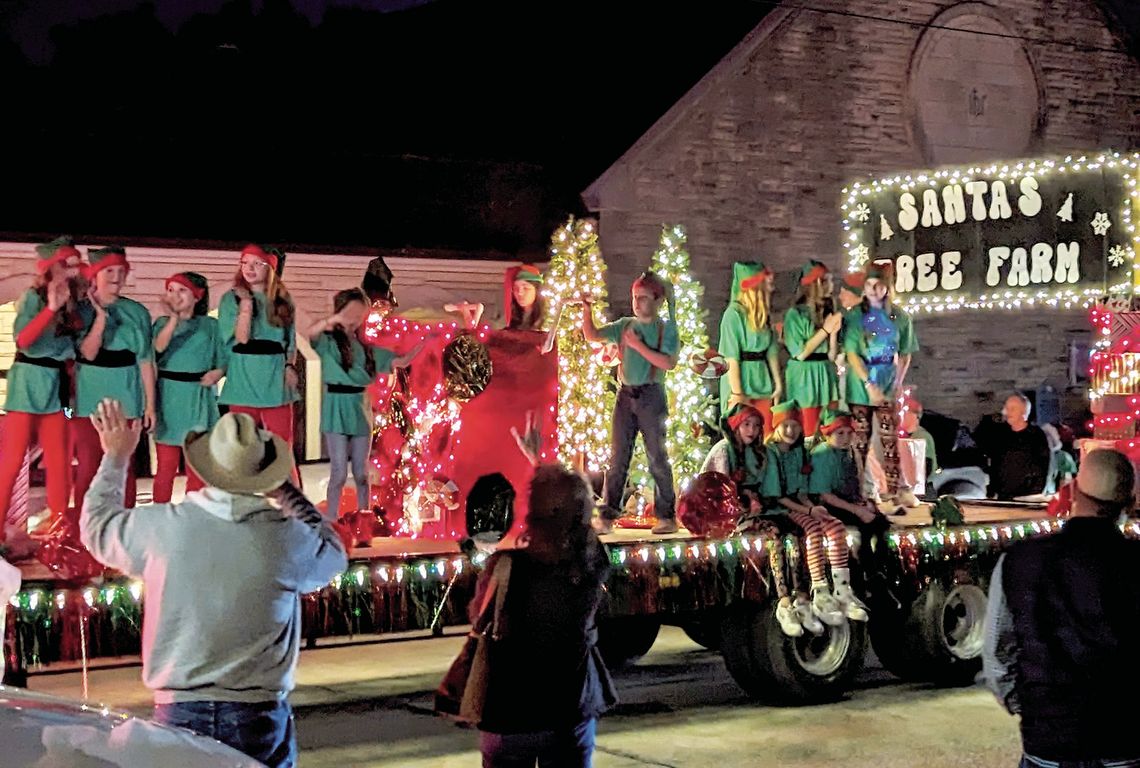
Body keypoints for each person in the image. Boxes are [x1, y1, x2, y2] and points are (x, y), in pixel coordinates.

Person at [79, 399, 348, 768]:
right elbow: (334, 553)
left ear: (205, 467)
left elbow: (96, 526)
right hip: (258, 716)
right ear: (266, 473)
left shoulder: (164, 528)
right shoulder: (287, 538)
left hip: (178, 711)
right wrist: (285, 492)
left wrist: (115, 457)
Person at [983, 447, 1140, 767]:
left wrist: (1031, 706)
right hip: (1123, 741)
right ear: (1129, 503)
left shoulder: (1019, 560)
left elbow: (997, 654)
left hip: (1048, 742)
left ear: (1072, 492)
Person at [475, 415, 616, 768]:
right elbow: (575, 514)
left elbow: (478, 619)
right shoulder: (589, 564)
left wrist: (538, 470)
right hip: (569, 708)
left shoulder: (506, 566)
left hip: (511, 711)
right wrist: (542, 465)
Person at [306, 288, 422, 520]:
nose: (354, 320)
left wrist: (423, 344)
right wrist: (333, 320)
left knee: (361, 472)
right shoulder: (328, 341)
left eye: (360, 315)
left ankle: (364, 516)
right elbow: (311, 334)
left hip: (359, 407)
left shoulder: (367, 349)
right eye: (350, 314)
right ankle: (331, 519)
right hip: (336, 406)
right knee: (338, 472)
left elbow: (399, 361)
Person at [580, 271, 679, 535]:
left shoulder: (664, 328)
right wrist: (587, 311)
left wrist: (637, 346)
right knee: (618, 457)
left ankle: (666, 515)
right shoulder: (625, 325)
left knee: (657, 457)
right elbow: (592, 336)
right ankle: (609, 514)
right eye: (635, 297)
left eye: (643, 298)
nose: (637, 303)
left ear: (657, 301)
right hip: (625, 396)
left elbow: (668, 362)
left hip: (651, 395)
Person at [0, 238, 84, 539]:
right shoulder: (33, 298)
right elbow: (23, 340)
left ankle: (59, 525)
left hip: (59, 388)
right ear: (54, 268)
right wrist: (50, 309)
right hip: (27, 384)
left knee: (60, 458)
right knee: (11, 459)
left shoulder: (79, 304)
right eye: (69, 264)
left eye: (77, 264)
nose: (75, 270)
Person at [701, 404, 808, 636]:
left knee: (795, 534)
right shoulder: (724, 450)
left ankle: (802, 596)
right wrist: (745, 501)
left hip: (760, 510)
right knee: (774, 537)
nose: (751, 430)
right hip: (730, 514)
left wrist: (759, 500)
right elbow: (717, 489)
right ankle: (783, 601)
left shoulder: (761, 452)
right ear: (736, 426)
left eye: (756, 425)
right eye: (746, 425)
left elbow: (769, 488)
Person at [762, 402, 864, 625]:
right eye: (786, 425)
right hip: (780, 509)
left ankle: (842, 591)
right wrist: (809, 510)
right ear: (776, 427)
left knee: (835, 526)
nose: (791, 431)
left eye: (795, 425)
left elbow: (802, 491)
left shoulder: (799, 452)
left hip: (801, 503)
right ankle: (819, 588)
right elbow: (778, 497)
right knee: (813, 529)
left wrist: (815, 509)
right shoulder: (771, 453)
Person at [73, 246, 155, 513]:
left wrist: (150, 406)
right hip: (89, 400)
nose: (117, 277)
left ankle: (123, 528)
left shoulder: (137, 312)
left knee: (125, 466)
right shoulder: (79, 310)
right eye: (110, 271)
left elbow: (145, 361)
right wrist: (100, 318)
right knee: (88, 465)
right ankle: (84, 533)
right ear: (95, 274)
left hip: (127, 400)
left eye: (121, 271)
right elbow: (87, 352)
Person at [217, 244, 300, 485]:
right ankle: (245, 509)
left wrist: (289, 367)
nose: (249, 268)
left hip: (275, 381)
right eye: (244, 262)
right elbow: (241, 339)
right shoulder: (230, 299)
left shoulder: (283, 301)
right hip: (243, 382)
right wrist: (246, 305)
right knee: (242, 451)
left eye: (256, 263)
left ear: (269, 268)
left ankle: (292, 510)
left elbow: (290, 343)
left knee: (281, 449)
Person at [842, 261, 919, 506]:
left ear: (888, 287)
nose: (874, 290)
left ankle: (896, 491)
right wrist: (869, 384)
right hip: (861, 385)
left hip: (887, 380)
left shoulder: (900, 317)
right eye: (870, 285)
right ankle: (859, 493)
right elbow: (852, 353)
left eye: (879, 285)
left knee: (889, 438)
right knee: (860, 441)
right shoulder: (855, 316)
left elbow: (906, 352)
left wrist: (897, 382)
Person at [807, 409, 892, 618]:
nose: (845, 438)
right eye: (840, 434)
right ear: (828, 434)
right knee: (864, 524)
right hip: (829, 504)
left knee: (881, 523)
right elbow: (825, 495)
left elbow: (857, 483)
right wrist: (857, 510)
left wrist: (864, 503)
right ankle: (869, 577)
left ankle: (879, 573)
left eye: (848, 433)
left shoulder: (851, 452)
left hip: (849, 500)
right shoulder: (822, 455)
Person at [151, 272, 225, 503]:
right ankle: (160, 514)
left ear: (196, 296)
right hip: (169, 396)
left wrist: (219, 372)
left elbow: (223, 357)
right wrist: (174, 319)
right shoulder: (161, 324)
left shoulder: (211, 325)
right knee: (166, 466)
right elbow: (157, 349)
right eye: (170, 290)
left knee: (197, 465)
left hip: (198, 396)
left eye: (181, 290)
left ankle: (194, 513)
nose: (175, 295)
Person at [719, 261, 782, 435]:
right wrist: (738, 394)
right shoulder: (733, 315)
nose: (772, 287)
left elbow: (772, 350)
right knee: (743, 435)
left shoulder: (763, 314)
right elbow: (731, 357)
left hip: (762, 382)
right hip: (742, 383)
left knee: (765, 433)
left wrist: (777, 383)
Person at [783, 260, 843, 438]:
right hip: (804, 375)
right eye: (828, 280)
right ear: (818, 283)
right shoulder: (795, 314)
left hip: (826, 372)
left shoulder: (828, 309)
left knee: (831, 427)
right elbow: (800, 353)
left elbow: (832, 355)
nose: (832, 285)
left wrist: (833, 333)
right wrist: (825, 330)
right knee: (809, 428)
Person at [983, 393, 1050, 500]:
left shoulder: (1036, 436)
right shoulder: (1000, 434)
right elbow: (995, 463)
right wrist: (992, 490)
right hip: (1003, 496)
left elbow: (1043, 465)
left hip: (1027, 496)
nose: (1006, 412)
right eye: (1006, 408)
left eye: (1012, 409)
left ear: (1023, 412)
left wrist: (1034, 492)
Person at [503, 264, 547, 331]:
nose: (520, 293)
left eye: (526, 288)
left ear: (537, 290)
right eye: (516, 288)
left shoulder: (547, 319)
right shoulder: (512, 318)